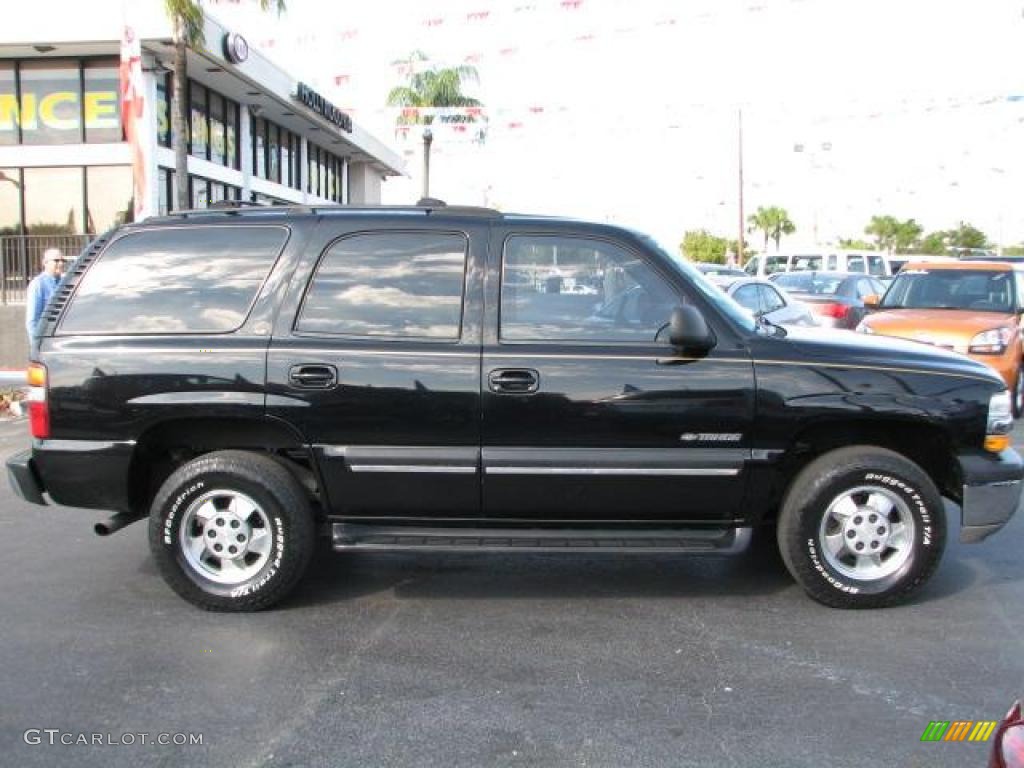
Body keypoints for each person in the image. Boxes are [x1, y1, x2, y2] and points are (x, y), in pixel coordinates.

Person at [25, 248, 64, 344]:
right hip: (46, 342)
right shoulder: (38, 284)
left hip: (61, 341)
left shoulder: (64, 282)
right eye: (56, 260)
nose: (61, 263)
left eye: (62, 260)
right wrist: (36, 347)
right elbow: (32, 321)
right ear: (45, 263)